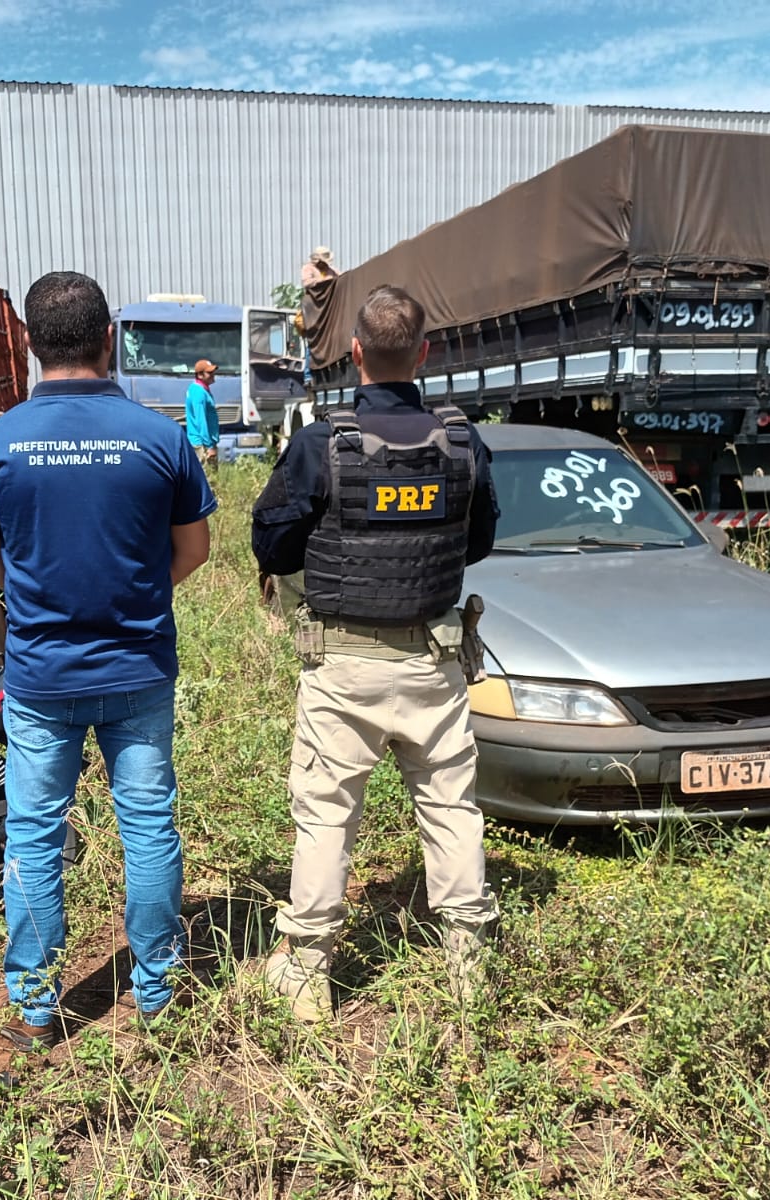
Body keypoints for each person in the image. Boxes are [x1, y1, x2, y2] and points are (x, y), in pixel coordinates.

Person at [0, 271, 216, 1048]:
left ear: (32, 348)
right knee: (148, 826)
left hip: (41, 676)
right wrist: (135, 594)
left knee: (33, 833)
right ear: (109, 341)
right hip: (138, 671)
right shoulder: (159, 436)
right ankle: (157, 990)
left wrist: (39, 591)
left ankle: (35, 1008)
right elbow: (194, 550)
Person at [250, 284, 501, 1021]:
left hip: (344, 668)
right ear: (422, 353)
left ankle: (307, 974)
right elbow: (479, 541)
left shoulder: (321, 442)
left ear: (354, 352)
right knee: (451, 809)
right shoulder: (463, 441)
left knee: (326, 815)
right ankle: (468, 966)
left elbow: (272, 539)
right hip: (435, 664)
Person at [184, 359, 220, 473]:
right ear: (200, 375)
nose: (213, 375)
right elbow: (201, 420)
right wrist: (209, 446)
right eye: (209, 373)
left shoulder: (199, 390)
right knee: (209, 479)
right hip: (202, 444)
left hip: (204, 442)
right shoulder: (199, 392)